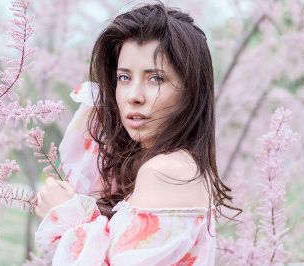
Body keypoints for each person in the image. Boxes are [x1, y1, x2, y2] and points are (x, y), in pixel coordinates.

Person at [34, 2, 240, 265]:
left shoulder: (166, 172)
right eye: (124, 78)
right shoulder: (182, 166)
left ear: (190, 92)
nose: (134, 96)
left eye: (156, 79)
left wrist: (69, 216)